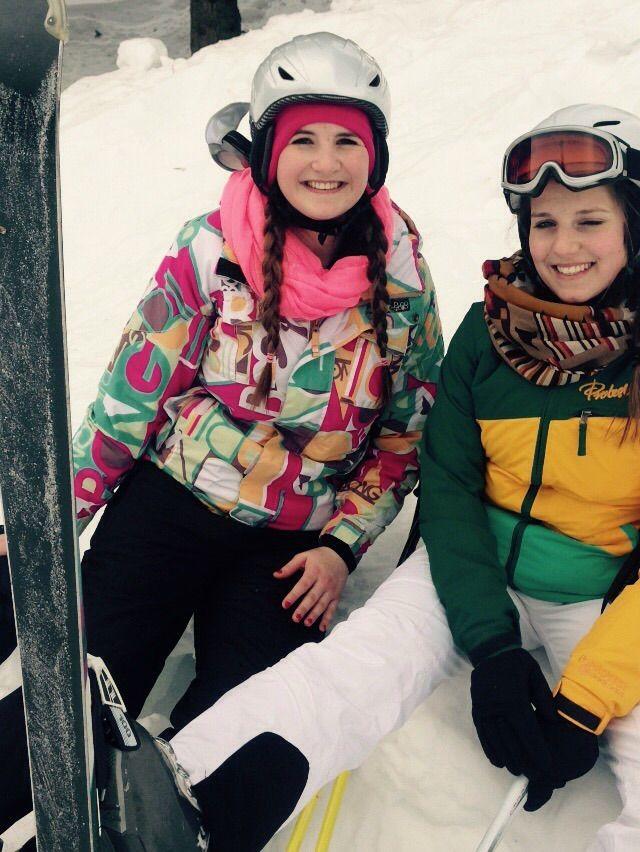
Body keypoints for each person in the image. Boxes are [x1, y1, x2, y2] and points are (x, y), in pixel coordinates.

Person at [115, 103, 640, 852]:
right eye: (545, 223)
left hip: (603, 597)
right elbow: (450, 486)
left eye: (590, 222)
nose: (563, 247)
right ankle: (179, 803)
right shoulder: (492, 330)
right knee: (344, 677)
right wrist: (493, 649)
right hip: (468, 569)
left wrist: (586, 700)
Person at [0, 31, 443, 847]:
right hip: (171, 506)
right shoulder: (211, 250)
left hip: (289, 547)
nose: (325, 163)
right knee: (73, 694)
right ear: (266, 148)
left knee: (237, 731)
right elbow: (129, 401)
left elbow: (405, 434)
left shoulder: (401, 273)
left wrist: (341, 546)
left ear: (375, 156)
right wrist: (49, 528)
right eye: (302, 139)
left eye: (348, 141)